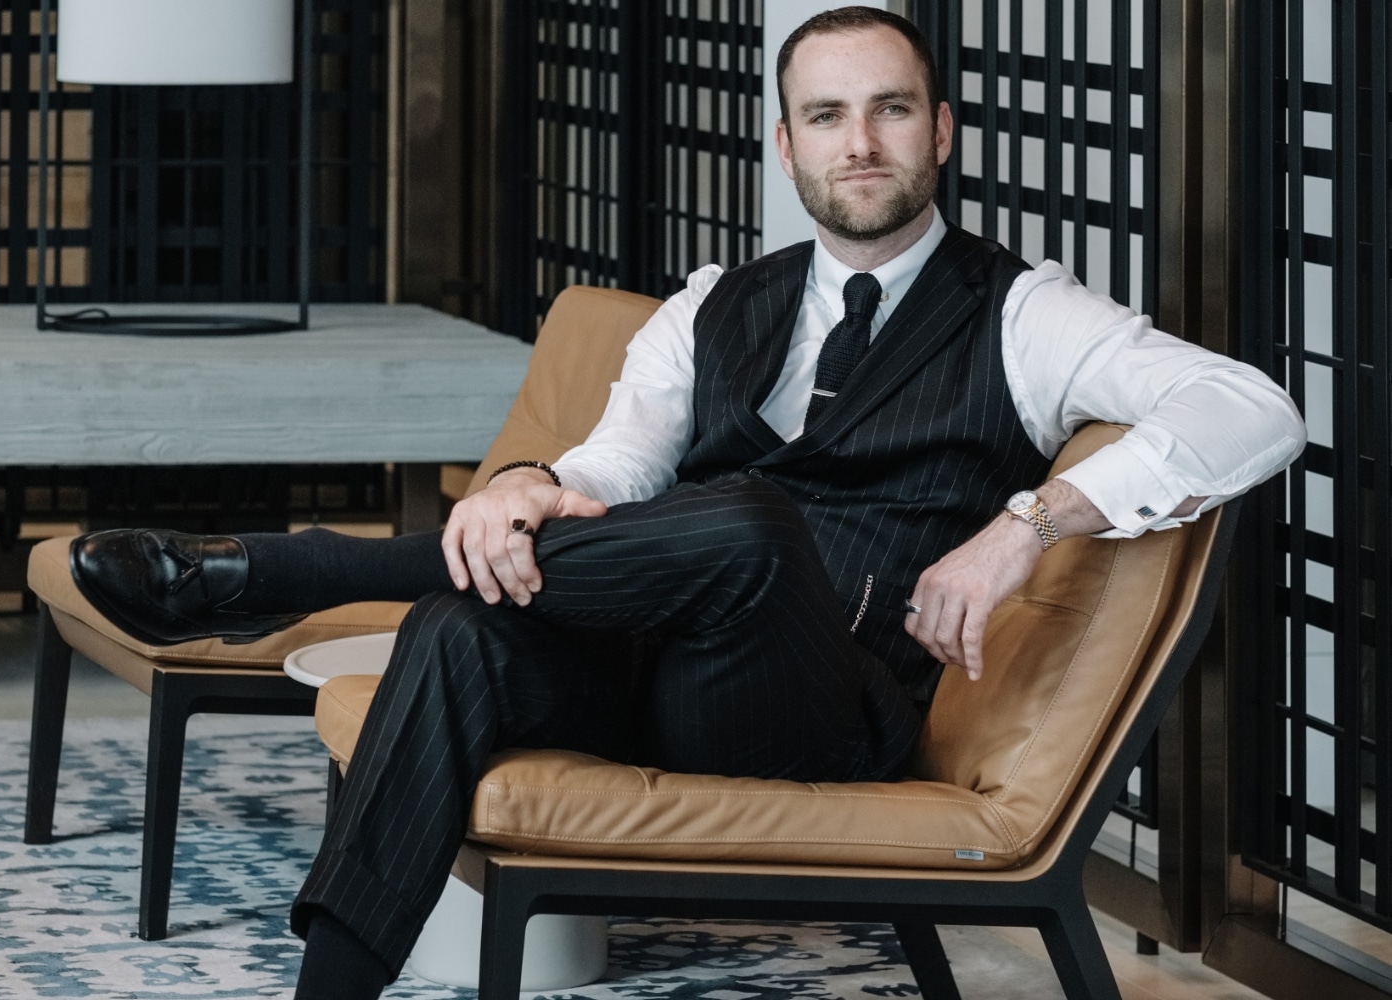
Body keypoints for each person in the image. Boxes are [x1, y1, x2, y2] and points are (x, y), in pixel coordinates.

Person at [67, 8, 1305, 997]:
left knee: (755, 523)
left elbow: (1253, 410)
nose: (858, 142)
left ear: (941, 132)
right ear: (786, 144)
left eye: (888, 111)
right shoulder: (714, 300)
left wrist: (1021, 526)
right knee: (459, 631)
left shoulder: (1025, 314)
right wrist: (519, 492)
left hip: (828, 709)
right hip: (656, 669)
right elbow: (614, 470)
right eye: (826, 116)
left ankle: (294, 577)